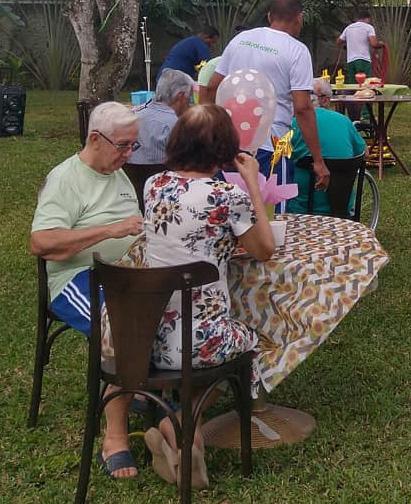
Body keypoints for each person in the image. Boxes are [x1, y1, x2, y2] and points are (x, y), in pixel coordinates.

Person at [139, 104, 275, 488]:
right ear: (225, 148)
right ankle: (181, 423)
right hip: (202, 342)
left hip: (149, 337)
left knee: (203, 343)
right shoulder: (225, 196)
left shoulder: (153, 185)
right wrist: (251, 182)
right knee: (252, 340)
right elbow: (264, 249)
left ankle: (188, 438)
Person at [30, 101, 144, 478]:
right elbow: (42, 242)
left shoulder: (117, 173)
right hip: (77, 278)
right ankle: (114, 437)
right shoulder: (66, 178)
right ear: (96, 138)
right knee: (120, 324)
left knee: (174, 304)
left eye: (133, 147)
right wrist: (110, 231)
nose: (128, 156)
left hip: (125, 272)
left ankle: (145, 390)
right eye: (123, 146)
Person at [204, 0, 329, 189]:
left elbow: (211, 87)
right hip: (270, 147)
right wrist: (318, 161)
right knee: (271, 215)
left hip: (227, 145)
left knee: (229, 213)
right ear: (299, 17)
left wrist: (210, 131)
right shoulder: (297, 50)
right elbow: (303, 108)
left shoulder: (240, 39)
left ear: (270, 16)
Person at [287, 78, 367, 215]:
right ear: (326, 100)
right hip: (342, 210)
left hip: (302, 209)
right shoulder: (344, 121)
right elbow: (364, 153)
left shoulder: (294, 124)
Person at [129, 69, 194, 165]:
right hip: (165, 178)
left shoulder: (131, 116)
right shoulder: (177, 125)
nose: (190, 104)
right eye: (190, 97)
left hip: (130, 177)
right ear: (181, 96)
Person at [337, 10, 384, 78]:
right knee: (366, 85)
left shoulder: (348, 28)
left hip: (350, 61)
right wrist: (381, 44)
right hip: (363, 60)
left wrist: (346, 46)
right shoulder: (368, 27)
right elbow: (374, 44)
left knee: (353, 86)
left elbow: (338, 41)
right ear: (367, 18)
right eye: (369, 20)